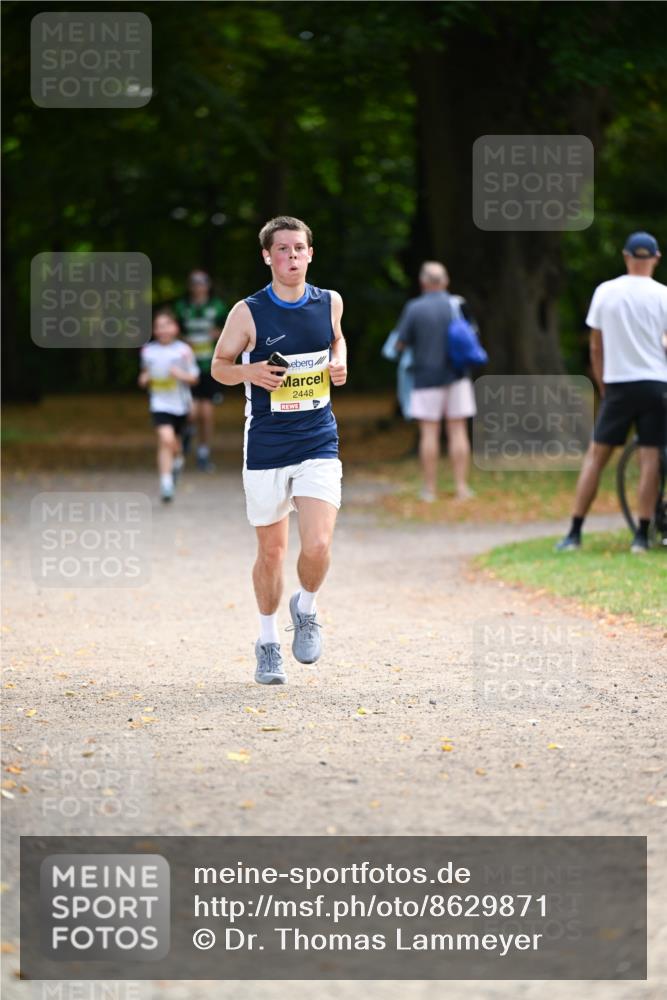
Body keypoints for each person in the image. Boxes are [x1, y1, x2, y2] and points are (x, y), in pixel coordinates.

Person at [211, 215, 347, 685]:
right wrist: (250, 374)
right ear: (267, 256)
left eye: (299, 248)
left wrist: (340, 359)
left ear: (311, 253)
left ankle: (306, 608)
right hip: (267, 443)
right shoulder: (247, 312)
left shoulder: (330, 302)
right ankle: (267, 641)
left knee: (319, 543)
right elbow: (219, 366)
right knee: (271, 553)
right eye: (283, 249)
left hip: (318, 439)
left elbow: (336, 338)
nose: (292, 256)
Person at [556, 231, 667, 553]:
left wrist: (605, 386)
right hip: (656, 384)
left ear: (626, 257)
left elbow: (596, 346)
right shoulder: (663, 295)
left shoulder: (606, 292)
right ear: (655, 259)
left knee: (596, 458)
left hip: (619, 383)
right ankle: (641, 536)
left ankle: (575, 531)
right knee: (650, 459)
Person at [395, 261, 477, 501]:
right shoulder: (458, 305)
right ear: (445, 281)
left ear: (423, 282)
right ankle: (461, 487)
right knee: (458, 430)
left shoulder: (414, 308)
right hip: (457, 375)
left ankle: (429, 490)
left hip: (425, 377)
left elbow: (400, 344)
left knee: (429, 433)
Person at [139, 309, 200, 502]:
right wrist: (144, 378)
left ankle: (178, 458)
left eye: (166, 325)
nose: (162, 330)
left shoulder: (184, 350)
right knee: (165, 439)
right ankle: (166, 483)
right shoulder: (148, 351)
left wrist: (180, 375)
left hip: (181, 404)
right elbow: (145, 374)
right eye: (158, 326)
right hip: (159, 403)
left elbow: (194, 378)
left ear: (175, 327)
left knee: (174, 442)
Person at [174, 270, 228, 471]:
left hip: (210, 366)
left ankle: (203, 452)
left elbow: (233, 330)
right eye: (194, 283)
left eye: (202, 283)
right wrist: (182, 341)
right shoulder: (181, 307)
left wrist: (219, 334)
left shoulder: (218, 307)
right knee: (191, 412)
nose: (198, 287)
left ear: (208, 285)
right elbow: (172, 331)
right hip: (188, 367)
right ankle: (187, 432)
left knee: (206, 413)